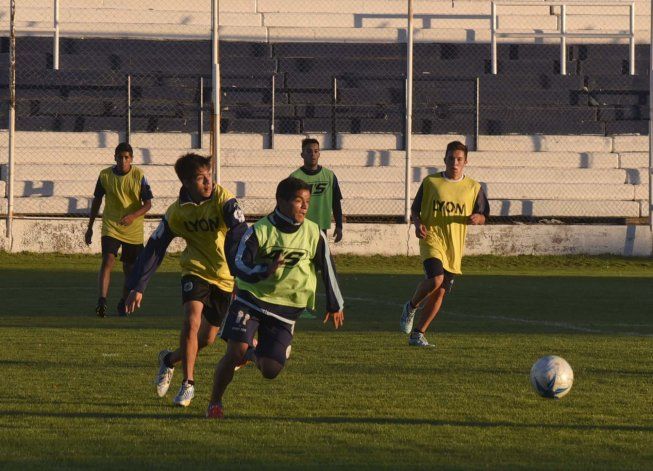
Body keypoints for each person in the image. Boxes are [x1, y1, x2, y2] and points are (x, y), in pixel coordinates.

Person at [206, 177, 345, 419]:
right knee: (235, 351)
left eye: (307, 202)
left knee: (270, 370)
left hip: (287, 309)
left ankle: (252, 353)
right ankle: (215, 402)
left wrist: (335, 304)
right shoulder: (260, 231)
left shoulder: (314, 233)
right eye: (299, 201)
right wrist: (263, 271)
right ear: (280, 201)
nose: (304, 207)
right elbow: (239, 264)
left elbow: (328, 268)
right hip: (252, 299)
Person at [124, 153, 247, 408]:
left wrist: (240, 274)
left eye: (209, 177)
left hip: (224, 276)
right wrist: (138, 286)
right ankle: (188, 383)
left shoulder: (224, 200)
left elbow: (239, 236)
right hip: (195, 270)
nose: (208, 183)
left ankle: (169, 360)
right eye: (202, 179)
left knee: (206, 339)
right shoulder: (176, 212)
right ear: (186, 183)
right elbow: (155, 249)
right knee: (191, 320)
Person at [399, 141, 489, 347]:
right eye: (451, 159)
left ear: (466, 162)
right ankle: (411, 307)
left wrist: (478, 219)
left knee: (440, 292)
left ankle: (418, 334)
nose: (454, 163)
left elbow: (484, 215)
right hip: (431, 238)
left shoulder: (474, 188)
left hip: (454, 246)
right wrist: (418, 224)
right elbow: (415, 209)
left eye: (459, 159)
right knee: (436, 280)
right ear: (444, 160)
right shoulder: (431, 182)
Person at [85, 142, 153, 318]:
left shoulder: (139, 175)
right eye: (120, 157)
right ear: (114, 158)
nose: (123, 161)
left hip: (133, 230)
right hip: (111, 226)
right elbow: (97, 201)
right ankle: (102, 302)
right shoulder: (105, 176)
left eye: (126, 157)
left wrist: (132, 216)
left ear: (131, 159)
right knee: (108, 260)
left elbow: (148, 204)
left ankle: (123, 302)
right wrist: (90, 227)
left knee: (130, 270)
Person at [290, 138, 343, 243]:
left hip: (321, 226)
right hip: (300, 226)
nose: (313, 154)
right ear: (302, 154)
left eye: (316, 151)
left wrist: (339, 226)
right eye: (309, 151)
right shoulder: (295, 177)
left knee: (320, 258)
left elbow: (336, 203)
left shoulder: (329, 176)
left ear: (319, 154)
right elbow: (288, 204)